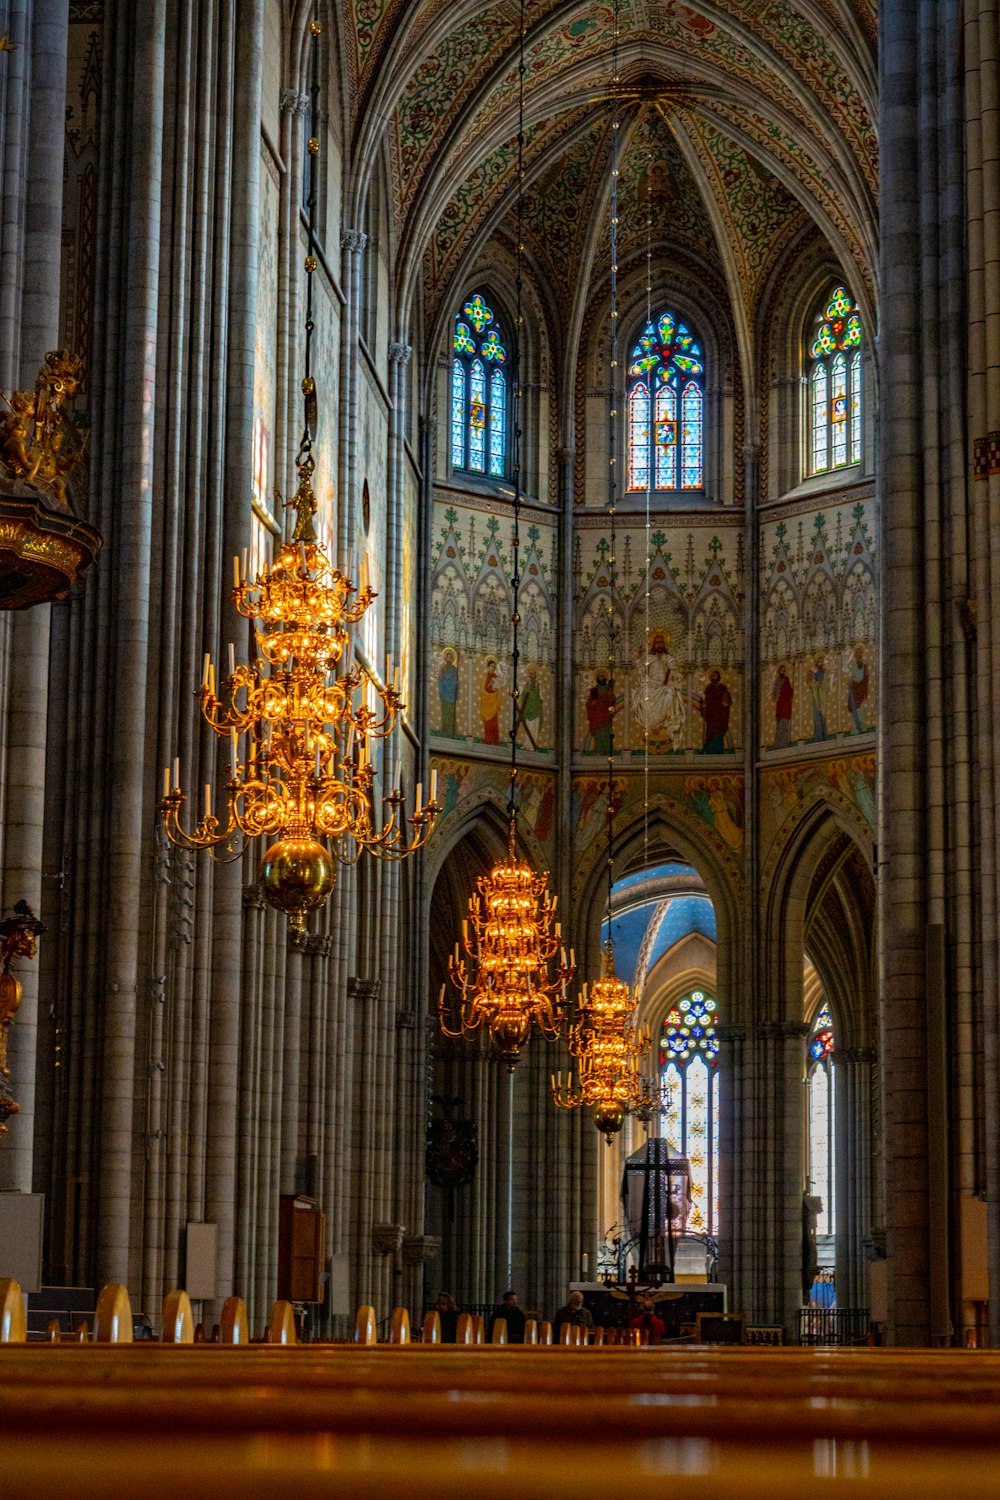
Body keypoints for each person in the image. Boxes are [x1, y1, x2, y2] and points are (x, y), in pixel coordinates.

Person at [695, 669, 732, 753]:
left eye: (714, 676)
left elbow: (727, 699)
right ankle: (708, 750)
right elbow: (705, 699)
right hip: (711, 714)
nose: (712, 677)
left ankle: (719, 750)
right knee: (710, 732)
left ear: (718, 677)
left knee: (719, 732)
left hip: (720, 714)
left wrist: (726, 702)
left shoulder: (722, 687)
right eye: (711, 676)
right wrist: (703, 702)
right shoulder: (709, 687)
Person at [584, 669, 618, 754]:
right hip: (597, 716)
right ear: (597, 678)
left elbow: (612, 700)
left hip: (606, 715)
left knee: (607, 733)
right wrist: (593, 703)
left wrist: (610, 692)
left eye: (604, 677)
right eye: (601, 676)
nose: (603, 678)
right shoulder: (594, 690)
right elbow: (589, 702)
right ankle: (599, 750)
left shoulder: (608, 689)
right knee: (598, 734)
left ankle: (608, 750)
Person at [845, 644, 869, 732]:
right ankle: (855, 729)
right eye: (857, 653)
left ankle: (862, 727)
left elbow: (866, 678)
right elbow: (849, 678)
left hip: (861, 691)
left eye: (860, 653)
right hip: (854, 691)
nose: (859, 654)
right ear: (855, 655)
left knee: (861, 710)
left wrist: (865, 691)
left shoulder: (865, 666)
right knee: (854, 710)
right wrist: (850, 681)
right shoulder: (853, 666)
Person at [438, 648, 460, 737]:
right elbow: (440, 680)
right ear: (445, 658)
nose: (449, 659)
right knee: (445, 713)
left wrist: (457, 685)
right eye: (448, 657)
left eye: (451, 657)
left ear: (453, 658)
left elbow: (456, 681)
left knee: (451, 714)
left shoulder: (455, 669)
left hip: (452, 695)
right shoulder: (442, 668)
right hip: (444, 693)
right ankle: (445, 732)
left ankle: (451, 733)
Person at [771, 662, 793, 748]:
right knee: (779, 726)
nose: (782, 672)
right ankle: (778, 744)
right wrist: (776, 696)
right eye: (781, 671)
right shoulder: (777, 682)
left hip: (786, 706)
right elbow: (773, 694)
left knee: (784, 726)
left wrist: (791, 690)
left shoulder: (786, 680)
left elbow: (790, 692)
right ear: (778, 671)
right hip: (780, 706)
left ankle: (784, 744)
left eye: (784, 671)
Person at [480, 658, 501, 744]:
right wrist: (487, 693)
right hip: (486, 702)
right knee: (487, 722)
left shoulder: (496, 677)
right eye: (491, 666)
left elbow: (498, 691)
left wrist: (493, 693)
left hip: (493, 702)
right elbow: (482, 689)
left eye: (494, 666)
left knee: (493, 723)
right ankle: (487, 739)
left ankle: (494, 740)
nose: (492, 668)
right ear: (488, 667)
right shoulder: (485, 676)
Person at [809, 655, 828, 740]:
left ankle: (823, 736)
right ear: (817, 664)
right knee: (817, 717)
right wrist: (814, 684)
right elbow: (812, 685)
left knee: (823, 716)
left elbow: (827, 685)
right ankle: (818, 737)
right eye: (819, 662)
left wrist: (820, 685)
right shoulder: (815, 674)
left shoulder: (825, 673)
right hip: (816, 698)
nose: (820, 664)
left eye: (821, 662)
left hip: (823, 697)